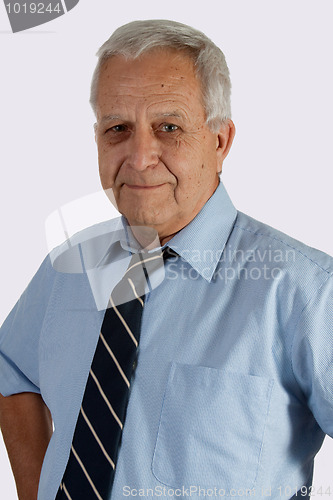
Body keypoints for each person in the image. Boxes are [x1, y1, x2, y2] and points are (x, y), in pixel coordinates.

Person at [0, 19, 332, 500]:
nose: (139, 157)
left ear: (220, 142)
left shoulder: (304, 290)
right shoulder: (68, 269)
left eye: (168, 127)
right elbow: (11, 369)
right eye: (118, 129)